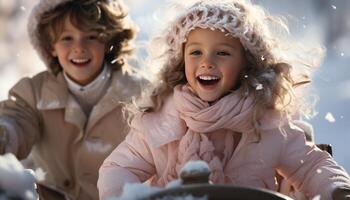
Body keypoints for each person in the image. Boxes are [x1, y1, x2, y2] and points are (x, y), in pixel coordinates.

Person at [98, 0, 350, 199]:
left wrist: (337, 189)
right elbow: (119, 169)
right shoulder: (158, 122)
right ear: (181, 60)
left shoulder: (267, 124)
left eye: (222, 53)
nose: (207, 61)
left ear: (246, 64)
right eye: (196, 52)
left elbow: (310, 165)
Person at [0, 0, 143, 199]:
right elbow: (14, 121)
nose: (79, 47)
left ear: (108, 42)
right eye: (67, 38)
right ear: (51, 47)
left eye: (91, 37)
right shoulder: (33, 93)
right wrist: (4, 134)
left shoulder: (141, 94)